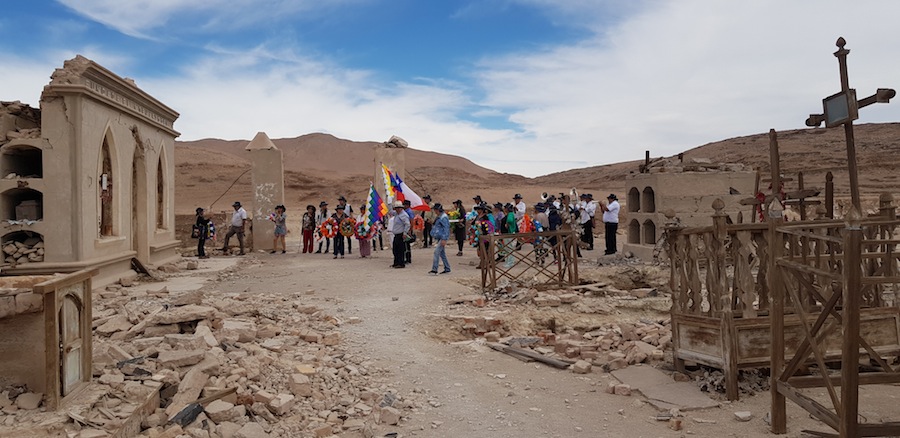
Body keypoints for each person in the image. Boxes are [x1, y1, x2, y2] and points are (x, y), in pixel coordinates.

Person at [428, 203, 451, 275]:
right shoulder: (440, 217)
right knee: (442, 254)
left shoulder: (443, 217)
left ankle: (434, 269)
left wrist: (444, 239)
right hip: (440, 237)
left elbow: (446, 228)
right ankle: (447, 268)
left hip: (442, 237)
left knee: (436, 252)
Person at [390, 202, 410, 268]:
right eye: (396, 208)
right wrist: (389, 203)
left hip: (401, 234)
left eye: (399, 208)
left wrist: (405, 233)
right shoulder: (396, 214)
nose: (397, 209)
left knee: (400, 250)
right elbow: (390, 212)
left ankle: (401, 263)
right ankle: (396, 262)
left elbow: (407, 224)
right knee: (395, 249)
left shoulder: (403, 215)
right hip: (396, 234)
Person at [403, 200, 415, 264]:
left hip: (408, 230)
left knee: (407, 245)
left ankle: (408, 259)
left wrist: (410, 230)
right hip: (406, 229)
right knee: (405, 245)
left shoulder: (409, 212)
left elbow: (411, 221)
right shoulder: (405, 211)